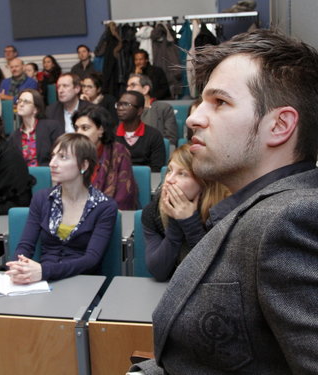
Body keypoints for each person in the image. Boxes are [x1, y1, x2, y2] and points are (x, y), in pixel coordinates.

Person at [129, 29, 318, 374]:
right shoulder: (258, 210)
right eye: (202, 101)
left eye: (220, 102)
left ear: (280, 125)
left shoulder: (290, 221)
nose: (194, 117)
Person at [6, 133, 118, 283]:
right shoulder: (42, 198)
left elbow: (91, 259)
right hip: (42, 281)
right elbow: (26, 245)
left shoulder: (104, 206)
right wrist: (19, 267)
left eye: (63, 157)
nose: (52, 163)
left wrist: (44, 271)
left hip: (82, 282)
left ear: (84, 165)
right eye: (53, 156)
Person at [141, 144, 229, 281]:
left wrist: (190, 222)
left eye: (182, 174)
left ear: (204, 182)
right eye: (170, 170)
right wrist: (176, 221)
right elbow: (158, 271)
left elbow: (216, 273)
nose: (169, 180)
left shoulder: (224, 213)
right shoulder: (153, 211)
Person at [73, 105, 137, 210]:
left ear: (101, 130)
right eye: (76, 128)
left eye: (85, 128)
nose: (78, 133)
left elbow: (123, 195)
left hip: (109, 216)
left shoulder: (118, 153)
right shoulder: (72, 153)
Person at [9, 89, 63, 166]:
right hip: (25, 176)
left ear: (35, 109)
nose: (21, 104)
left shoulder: (51, 127)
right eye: (19, 101)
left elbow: (60, 155)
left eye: (26, 102)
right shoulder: (14, 136)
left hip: (48, 174)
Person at [115, 91, 166, 172]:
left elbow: (157, 169)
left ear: (139, 111)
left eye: (126, 104)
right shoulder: (110, 135)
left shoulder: (154, 135)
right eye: (119, 104)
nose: (120, 108)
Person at [127, 73, 178, 145]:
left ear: (145, 89)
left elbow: (171, 140)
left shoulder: (164, 108)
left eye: (133, 85)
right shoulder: (127, 111)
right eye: (128, 86)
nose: (128, 89)